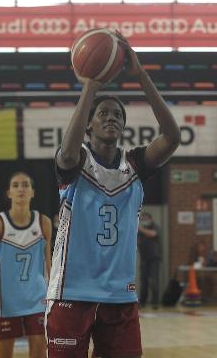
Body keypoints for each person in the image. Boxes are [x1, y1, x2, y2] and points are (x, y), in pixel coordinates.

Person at [46, 33, 180, 358]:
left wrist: (142, 76)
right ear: (88, 126)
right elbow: (65, 154)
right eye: (103, 113)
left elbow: (172, 137)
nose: (111, 118)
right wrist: (91, 85)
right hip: (71, 292)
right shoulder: (76, 161)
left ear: (123, 128)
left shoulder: (135, 164)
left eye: (118, 116)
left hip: (120, 296)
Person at [0, 172, 52, 358]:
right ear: (9, 193)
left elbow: (49, 265)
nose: (21, 189)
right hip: (5, 303)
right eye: (16, 185)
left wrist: (54, 298)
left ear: (32, 192)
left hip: (37, 300)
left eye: (25, 185)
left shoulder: (44, 223)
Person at [137, 212, 161, 309]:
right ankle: (142, 302)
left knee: (154, 281)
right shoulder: (140, 231)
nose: (143, 220)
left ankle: (155, 302)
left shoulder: (154, 227)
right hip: (144, 258)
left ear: (151, 219)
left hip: (154, 258)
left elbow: (153, 234)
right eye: (142, 219)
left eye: (145, 218)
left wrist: (140, 229)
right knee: (144, 281)